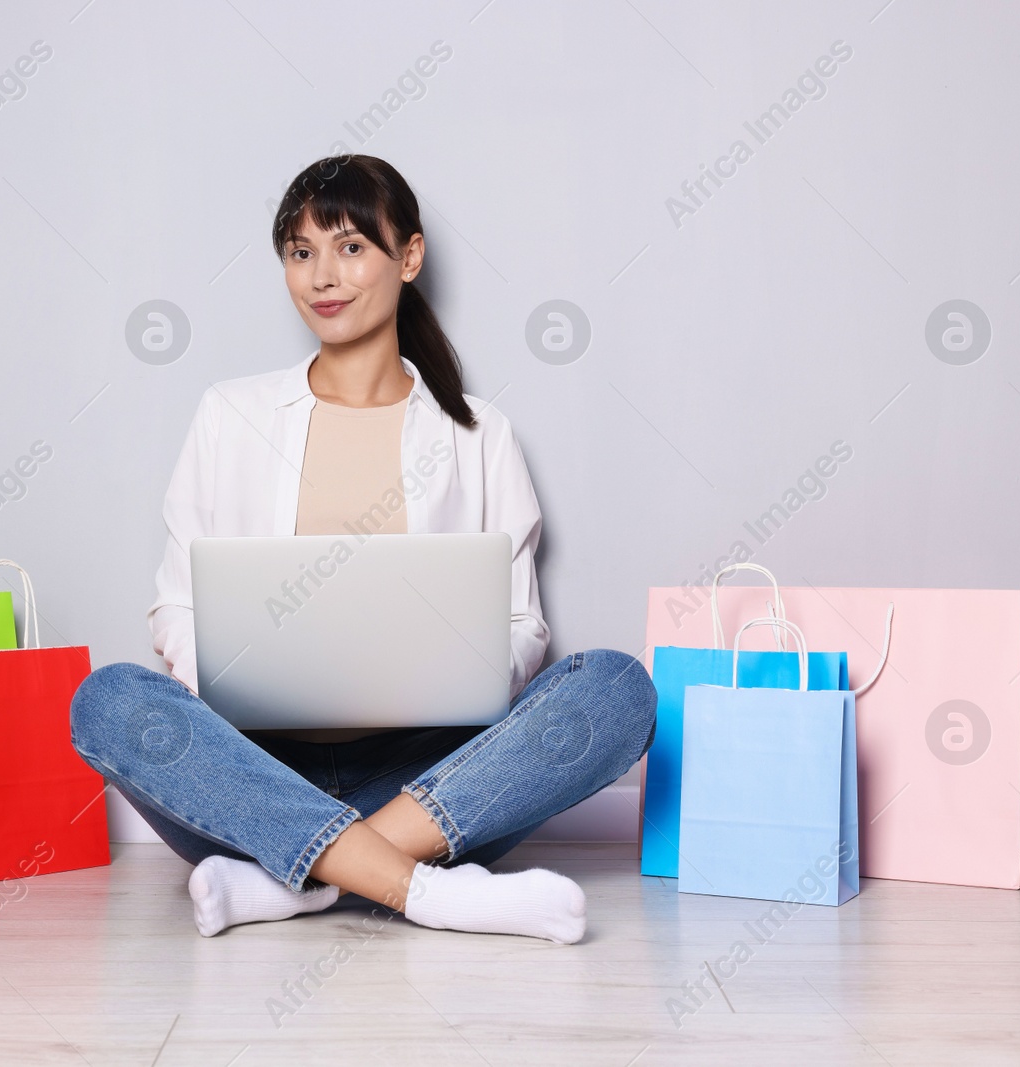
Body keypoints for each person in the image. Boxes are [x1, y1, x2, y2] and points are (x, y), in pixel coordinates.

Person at [70, 155, 656, 943]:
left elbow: (522, 628)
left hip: (429, 778)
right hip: (252, 773)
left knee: (616, 688)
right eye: (300, 251)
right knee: (106, 699)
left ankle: (301, 876)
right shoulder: (228, 414)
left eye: (349, 247)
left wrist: (455, 672)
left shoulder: (479, 434)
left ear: (408, 257)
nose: (322, 276)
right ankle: (426, 890)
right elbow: (175, 604)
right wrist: (243, 675)